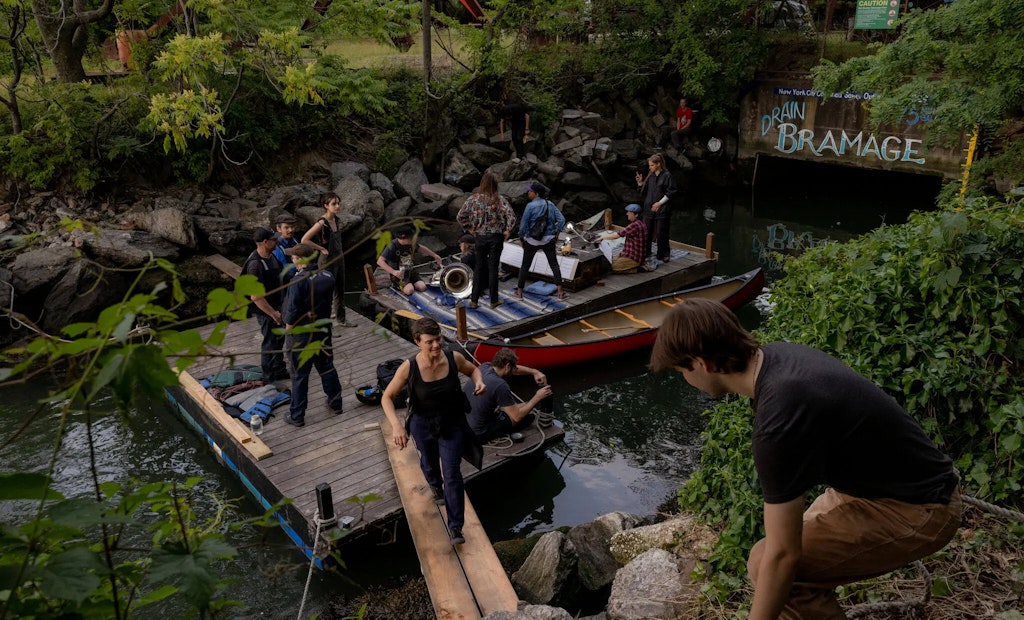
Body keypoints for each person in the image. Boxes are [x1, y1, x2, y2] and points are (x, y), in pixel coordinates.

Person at [649, 299, 961, 619]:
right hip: (884, 486)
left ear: (701, 364)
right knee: (768, 561)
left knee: (776, 568)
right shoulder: (778, 357)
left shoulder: (779, 419)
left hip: (919, 507)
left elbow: (785, 555)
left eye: (681, 371)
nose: (685, 380)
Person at [381, 318, 486, 545]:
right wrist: (397, 425)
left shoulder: (453, 358)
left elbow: (473, 370)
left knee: (453, 473)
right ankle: (434, 486)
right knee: (429, 463)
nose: (436, 346)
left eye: (438, 340)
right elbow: (386, 397)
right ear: (418, 342)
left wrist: (479, 382)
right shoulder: (409, 367)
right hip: (422, 423)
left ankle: (456, 527)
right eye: (430, 342)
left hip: (451, 422)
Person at [280, 243, 345, 427]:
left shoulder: (297, 281)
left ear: (300, 260)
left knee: (300, 375)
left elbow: (292, 312)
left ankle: (297, 415)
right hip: (323, 331)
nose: (292, 259)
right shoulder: (327, 276)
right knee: (327, 367)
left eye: (294, 256)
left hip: (302, 335)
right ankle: (336, 403)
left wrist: (287, 331)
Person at [456, 172, 517, 309]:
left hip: (480, 237)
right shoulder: (500, 200)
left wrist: (470, 229)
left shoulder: (474, 199)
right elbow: (512, 216)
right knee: (493, 268)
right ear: (495, 185)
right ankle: (493, 300)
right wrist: (507, 230)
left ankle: (474, 300)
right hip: (496, 237)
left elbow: (460, 216)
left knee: (479, 267)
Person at [465, 348, 552, 443]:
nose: (515, 369)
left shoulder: (485, 366)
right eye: (513, 367)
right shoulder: (500, 385)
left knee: (524, 405)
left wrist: (534, 372)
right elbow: (516, 416)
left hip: (465, 424)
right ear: (507, 366)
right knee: (527, 417)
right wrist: (538, 397)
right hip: (478, 433)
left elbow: (515, 370)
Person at [301, 193, 354, 327]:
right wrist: (320, 248)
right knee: (325, 295)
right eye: (334, 204)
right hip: (326, 262)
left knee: (340, 290)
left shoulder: (336, 219)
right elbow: (304, 239)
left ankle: (341, 320)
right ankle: (325, 327)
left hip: (339, 259)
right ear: (326, 206)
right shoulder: (321, 223)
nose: (337, 206)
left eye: (338, 203)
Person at [243, 227, 288, 383]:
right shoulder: (255, 265)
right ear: (265, 242)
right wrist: (273, 313)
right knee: (269, 342)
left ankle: (279, 369)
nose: (277, 241)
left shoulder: (272, 256)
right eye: (274, 239)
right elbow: (256, 296)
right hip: (265, 310)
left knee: (279, 339)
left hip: (278, 304)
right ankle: (268, 379)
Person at [515, 183, 565, 300]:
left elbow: (523, 226)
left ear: (536, 194)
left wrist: (522, 238)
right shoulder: (550, 204)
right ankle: (560, 292)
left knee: (525, 266)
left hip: (532, 240)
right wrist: (557, 233)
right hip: (548, 239)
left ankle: (519, 292)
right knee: (554, 265)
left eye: (530, 191)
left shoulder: (530, 206)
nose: (528, 193)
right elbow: (561, 220)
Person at [635, 153, 678, 264]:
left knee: (661, 232)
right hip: (648, 208)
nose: (650, 168)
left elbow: (671, 192)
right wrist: (640, 183)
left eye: (652, 165)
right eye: (649, 165)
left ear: (658, 164)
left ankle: (663, 253)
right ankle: (646, 252)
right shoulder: (650, 176)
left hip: (662, 208)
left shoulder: (667, 175)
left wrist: (659, 203)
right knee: (647, 231)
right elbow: (644, 192)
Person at [376, 226, 444, 296]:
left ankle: (411, 282)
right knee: (410, 290)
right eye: (410, 238)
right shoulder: (392, 246)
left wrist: (434, 255)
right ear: (403, 238)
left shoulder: (410, 243)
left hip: (410, 270)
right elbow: (380, 261)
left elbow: (421, 248)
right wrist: (393, 272)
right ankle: (399, 285)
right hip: (399, 274)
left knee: (422, 287)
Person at [598, 203, 648, 274]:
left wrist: (602, 237)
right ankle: (632, 266)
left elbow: (617, 235)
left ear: (636, 215)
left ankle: (637, 269)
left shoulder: (635, 226)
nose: (627, 214)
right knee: (610, 261)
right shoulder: (641, 223)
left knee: (611, 268)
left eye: (629, 212)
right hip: (629, 253)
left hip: (634, 258)